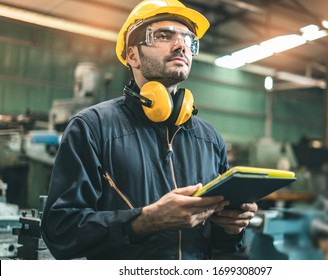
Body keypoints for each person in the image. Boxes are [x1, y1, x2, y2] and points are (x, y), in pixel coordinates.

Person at [41, 0, 258, 260]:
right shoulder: (92, 127)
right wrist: (145, 221)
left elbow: (222, 247)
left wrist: (232, 228)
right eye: (164, 35)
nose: (181, 46)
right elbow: (61, 232)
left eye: (188, 40)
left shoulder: (209, 139)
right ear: (132, 55)